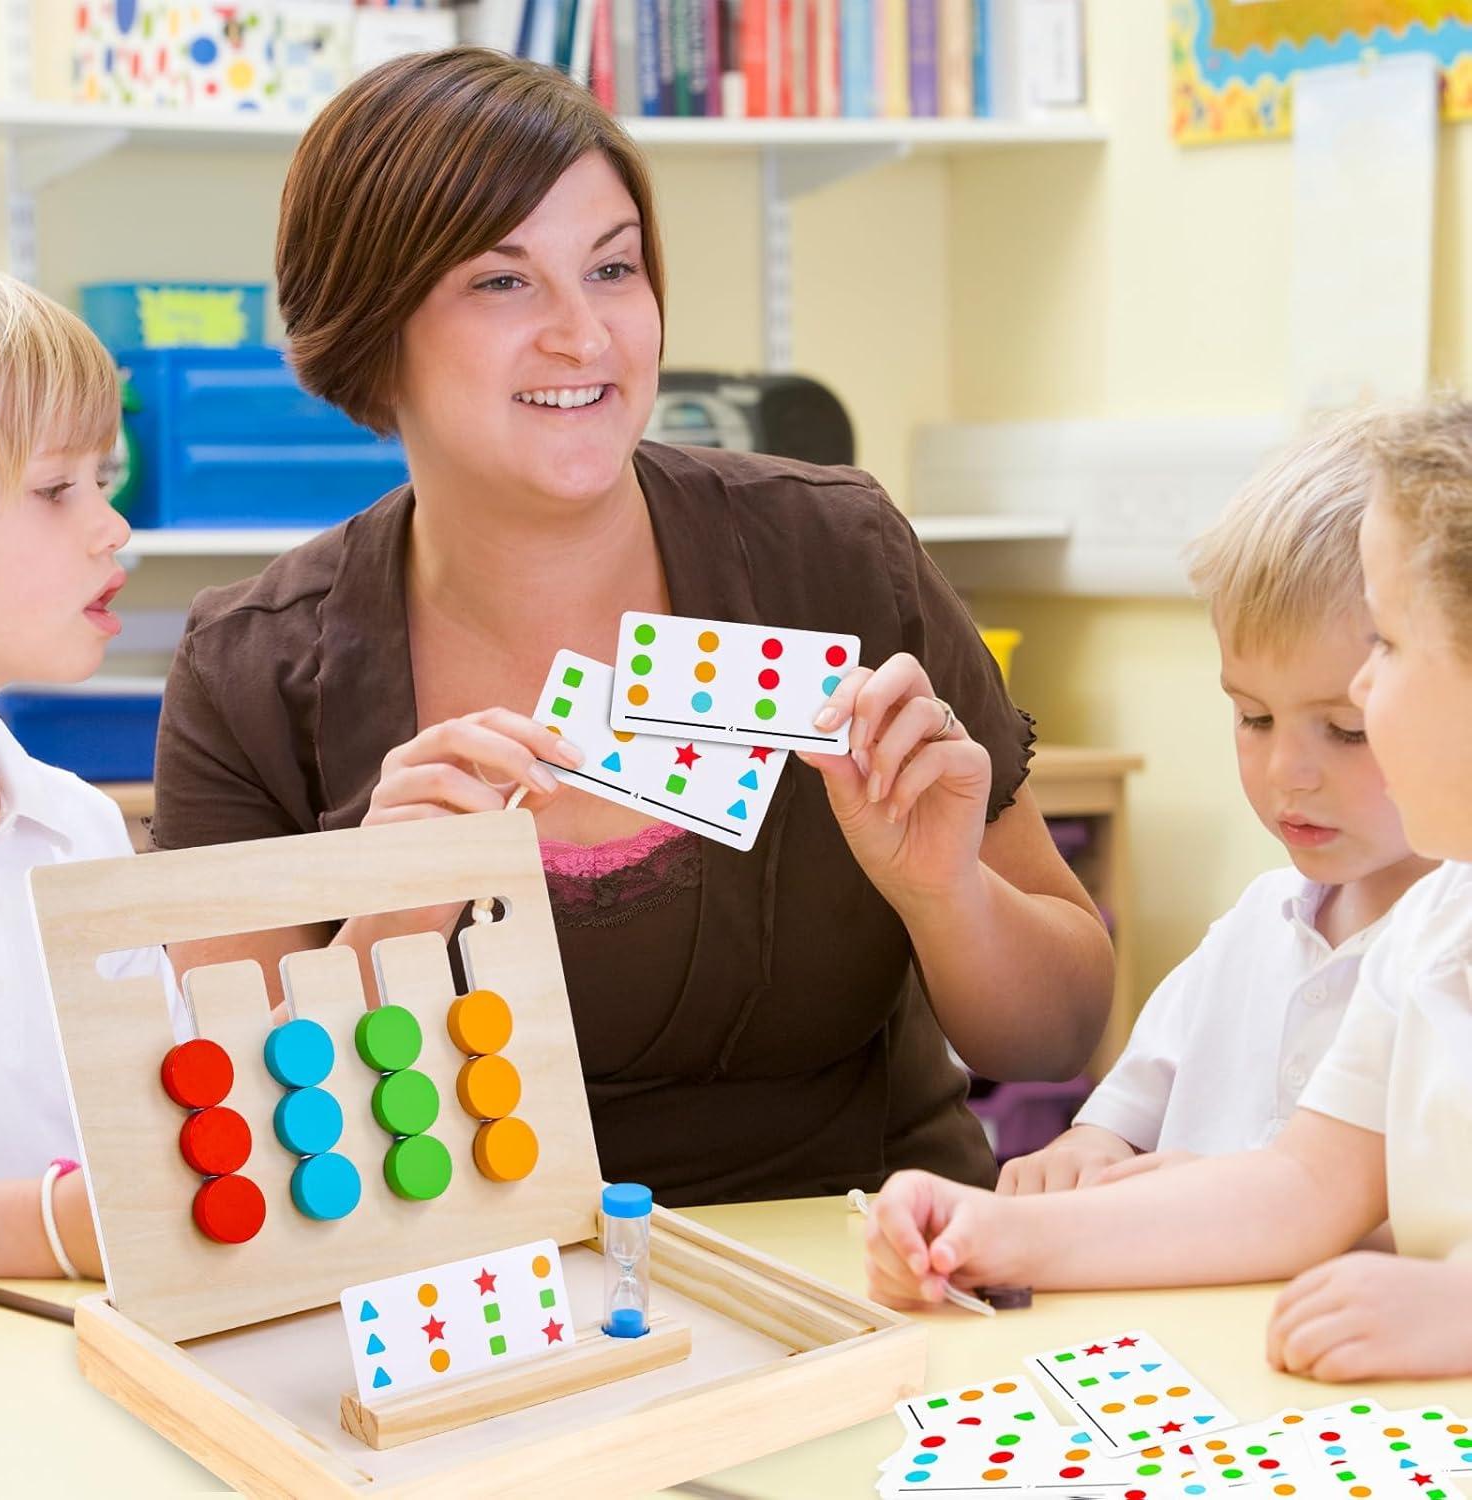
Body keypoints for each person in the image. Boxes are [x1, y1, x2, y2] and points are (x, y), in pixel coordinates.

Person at [149, 49, 1114, 1206]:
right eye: (501, 282)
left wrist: (945, 892)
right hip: (477, 1288)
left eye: (612, 268)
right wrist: (390, 920)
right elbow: (243, 1173)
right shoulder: (248, 673)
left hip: (867, 1252)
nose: (584, 335)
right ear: (371, 327)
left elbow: (1055, 1037)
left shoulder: (836, 555)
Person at [866, 398, 1472, 1383]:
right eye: (1254, 717)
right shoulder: (1436, 931)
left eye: (1389, 653)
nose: (1366, 689)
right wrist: (997, 1233)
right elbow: (1299, 1190)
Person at [999, 414, 1435, 1195]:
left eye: (1346, 728)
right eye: (1254, 718)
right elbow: (1119, 1119)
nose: (1287, 772)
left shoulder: (1447, 949)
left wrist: (1222, 1200)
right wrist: (1083, 1155)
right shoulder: (1253, 928)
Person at [0, 267, 176, 1278]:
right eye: (58, 489)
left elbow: (174, 1118)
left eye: (105, 479)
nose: (113, 526)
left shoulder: (79, 827)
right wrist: (59, 1225)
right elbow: (113, 1210)